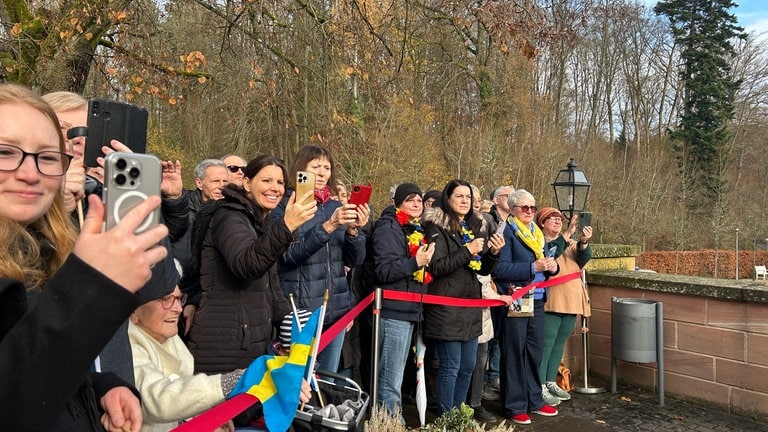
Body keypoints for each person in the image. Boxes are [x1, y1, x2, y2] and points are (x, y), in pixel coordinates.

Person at [0, 83, 169, 431]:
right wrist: (91, 285)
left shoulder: (44, 242)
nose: (30, 173)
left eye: (46, 157)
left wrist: (98, 388)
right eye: (5, 152)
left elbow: (31, 358)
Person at [188, 155, 316, 373]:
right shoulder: (229, 216)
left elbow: (272, 287)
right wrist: (287, 225)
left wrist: (291, 328)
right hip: (222, 346)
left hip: (251, 343)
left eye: (280, 182)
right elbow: (247, 266)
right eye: (266, 181)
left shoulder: (259, 223)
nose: (274, 188)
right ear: (247, 183)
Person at [272, 144, 369, 374]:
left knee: (326, 378)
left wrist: (354, 232)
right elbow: (287, 256)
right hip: (301, 309)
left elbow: (355, 261)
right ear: (301, 169)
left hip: (335, 309)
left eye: (327, 167)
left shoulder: (336, 206)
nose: (323, 172)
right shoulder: (286, 205)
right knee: (301, 382)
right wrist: (328, 226)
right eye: (315, 166)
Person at [421, 179, 504, 415]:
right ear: (447, 199)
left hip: (470, 307)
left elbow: (483, 269)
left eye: (468, 197)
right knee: (451, 366)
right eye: (459, 196)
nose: (465, 201)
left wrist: (494, 253)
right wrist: (467, 251)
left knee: (468, 366)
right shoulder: (435, 227)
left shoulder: (475, 226)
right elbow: (437, 267)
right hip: (446, 308)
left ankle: (459, 416)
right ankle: (446, 418)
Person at [492, 189, 559, 425]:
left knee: (534, 351)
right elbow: (500, 269)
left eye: (532, 207)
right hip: (517, 299)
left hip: (538, 298)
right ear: (512, 209)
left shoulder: (537, 233)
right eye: (524, 208)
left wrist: (552, 268)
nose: (530, 212)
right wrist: (534, 267)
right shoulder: (506, 232)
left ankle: (535, 399)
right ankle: (514, 405)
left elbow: (545, 264)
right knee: (513, 352)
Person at [371, 183, 435, 417]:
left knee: (397, 376)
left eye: (419, 200)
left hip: (410, 309)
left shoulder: (413, 228)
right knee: (390, 378)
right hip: (393, 311)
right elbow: (384, 270)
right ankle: (388, 422)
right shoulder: (388, 228)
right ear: (397, 203)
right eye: (410, 200)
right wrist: (415, 263)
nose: (417, 204)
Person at [536, 208, 593, 405]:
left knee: (559, 343)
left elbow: (583, 260)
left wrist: (583, 241)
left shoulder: (568, 242)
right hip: (552, 300)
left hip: (571, 300)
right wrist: (567, 233)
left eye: (559, 218)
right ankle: (540, 385)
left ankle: (551, 380)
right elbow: (551, 252)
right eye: (551, 218)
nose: (557, 221)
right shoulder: (541, 240)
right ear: (542, 223)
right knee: (546, 344)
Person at [172, 158, 229, 337]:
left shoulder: (229, 214)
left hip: (202, 298)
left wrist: (195, 299)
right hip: (172, 293)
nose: (221, 186)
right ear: (199, 183)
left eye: (225, 181)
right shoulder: (178, 211)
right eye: (215, 181)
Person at [483, 185, 514, 399]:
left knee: (499, 337)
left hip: (506, 289)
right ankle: (487, 381)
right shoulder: (487, 219)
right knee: (490, 338)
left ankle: (495, 376)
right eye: (508, 196)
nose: (512, 199)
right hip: (491, 283)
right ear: (496, 200)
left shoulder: (512, 223)